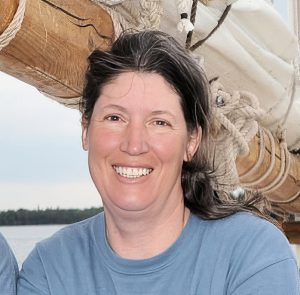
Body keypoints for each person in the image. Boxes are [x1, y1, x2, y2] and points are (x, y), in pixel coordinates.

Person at [18, 31, 299, 294]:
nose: (134, 144)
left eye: (159, 122)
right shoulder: (49, 270)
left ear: (191, 142)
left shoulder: (253, 256)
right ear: (85, 130)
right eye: (115, 118)